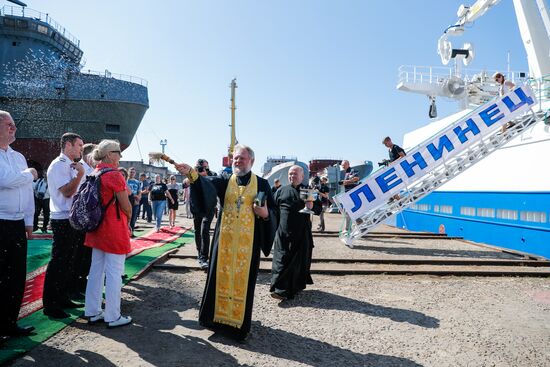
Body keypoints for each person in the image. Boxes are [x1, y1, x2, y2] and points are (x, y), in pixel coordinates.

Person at [174, 144, 276, 341]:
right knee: (217, 278)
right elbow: (206, 185)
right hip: (225, 242)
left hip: (249, 244)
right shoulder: (224, 180)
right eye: (235, 158)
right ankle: (215, 321)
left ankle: (238, 327)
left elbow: (273, 212)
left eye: (242, 158)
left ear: (252, 161)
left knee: (242, 284)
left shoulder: (262, 184)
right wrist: (192, 174)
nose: (238, 161)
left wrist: (264, 214)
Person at [84, 140, 133, 328]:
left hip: (96, 228)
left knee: (96, 270)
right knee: (114, 272)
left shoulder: (95, 172)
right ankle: (113, 315)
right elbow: (126, 205)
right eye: (118, 152)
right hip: (113, 228)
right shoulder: (114, 175)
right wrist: (129, 217)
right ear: (109, 155)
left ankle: (92, 310)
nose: (121, 155)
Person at [0, 110, 37, 342]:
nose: (13, 128)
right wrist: (30, 173)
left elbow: (25, 191)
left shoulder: (18, 157)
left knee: (16, 276)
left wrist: (29, 220)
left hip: (16, 223)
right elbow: (5, 181)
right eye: (8, 125)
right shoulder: (25, 166)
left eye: (14, 125)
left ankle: (9, 323)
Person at [43, 132, 86, 319]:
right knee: (59, 261)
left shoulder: (71, 165)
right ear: (68, 145)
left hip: (71, 218)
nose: (81, 149)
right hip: (62, 219)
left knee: (69, 261)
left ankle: (62, 296)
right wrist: (80, 176)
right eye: (79, 146)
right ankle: (51, 304)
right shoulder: (58, 165)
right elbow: (68, 192)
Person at [270, 165, 314, 300]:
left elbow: (317, 208)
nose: (292, 176)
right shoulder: (281, 190)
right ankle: (279, 289)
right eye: (290, 174)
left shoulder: (309, 191)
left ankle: (295, 287)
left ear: (302, 176)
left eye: (295, 174)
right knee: (280, 260)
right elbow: (273, 209)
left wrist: (312, 205)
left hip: (301, 234)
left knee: (298, 262)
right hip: (283, 233)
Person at [191, 163, 216, 269]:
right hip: (197, 208)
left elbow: (216, 183)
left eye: (204, 167)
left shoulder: (212, 175)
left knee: (204, 230)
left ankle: (204, 258)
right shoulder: (192, 175)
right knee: (197, 231)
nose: (202, 169)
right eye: (200, 167)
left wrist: (205, 175)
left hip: (209, 208)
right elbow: (185, 183)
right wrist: (194, 174)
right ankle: (199, 252)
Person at [339, 160, 359, 237]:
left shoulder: (352, 170)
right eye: (342, 166)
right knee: (348, 211)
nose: (343, 167)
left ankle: (348, 229)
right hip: (347, 193)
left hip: (352, 193)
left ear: (348, 164)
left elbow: (357, 178)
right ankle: (358, 221)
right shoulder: (346, 172)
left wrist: (345, 181)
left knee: (348, 211)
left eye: (344, 165)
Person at [126, 167, 142, 236]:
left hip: (135, 202)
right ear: (128, 172)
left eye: (133, 172)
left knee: (134, 217)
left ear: (135, 173)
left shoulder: (137, 182)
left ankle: (131, 232)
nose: (132, 173)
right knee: (127, 217)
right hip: (127, 201)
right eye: (131, 172)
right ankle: (125, 232)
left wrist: (138, 198)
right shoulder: (126, 181)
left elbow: (139, 191)